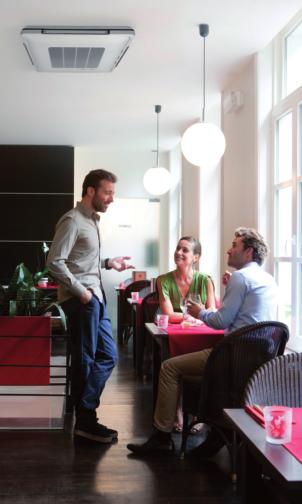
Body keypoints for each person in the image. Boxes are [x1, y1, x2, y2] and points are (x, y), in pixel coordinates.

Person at [127, 227, 278, 456]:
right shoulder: (268, 279)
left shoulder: (240, 277)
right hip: (261, 360)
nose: (228, 250)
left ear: (248, 253)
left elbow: (220, 321)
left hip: (233, 356)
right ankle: (216, 434)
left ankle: (161, 436)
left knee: (169, 367)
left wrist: (199, 313)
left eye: (234, 246)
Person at [47, 169, 134, 444]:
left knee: (108, 356)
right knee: (85, 359)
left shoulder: (92, 221)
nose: (111, 199)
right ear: (91, 191)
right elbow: (54, 261)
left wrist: (109, 264)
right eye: (107, 192)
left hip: (94, 298)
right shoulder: (72, 221)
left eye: (112, 193)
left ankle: (83, 408)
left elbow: (81, 262)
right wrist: (82, 292)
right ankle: (86, 422)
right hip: (82, 300)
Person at [156, 236, 216, 432]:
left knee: (206, 368)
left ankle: (200, 414)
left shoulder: (205, 280)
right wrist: (194, 317)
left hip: (202, 336)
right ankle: (177, 411)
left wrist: (193, 316)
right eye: (177, 248)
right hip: (178, 334)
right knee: (171, 360)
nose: (178, 252)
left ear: (196, 257)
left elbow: (212, 311)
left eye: (185, 250)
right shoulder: (163, 280)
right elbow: (168, 314)